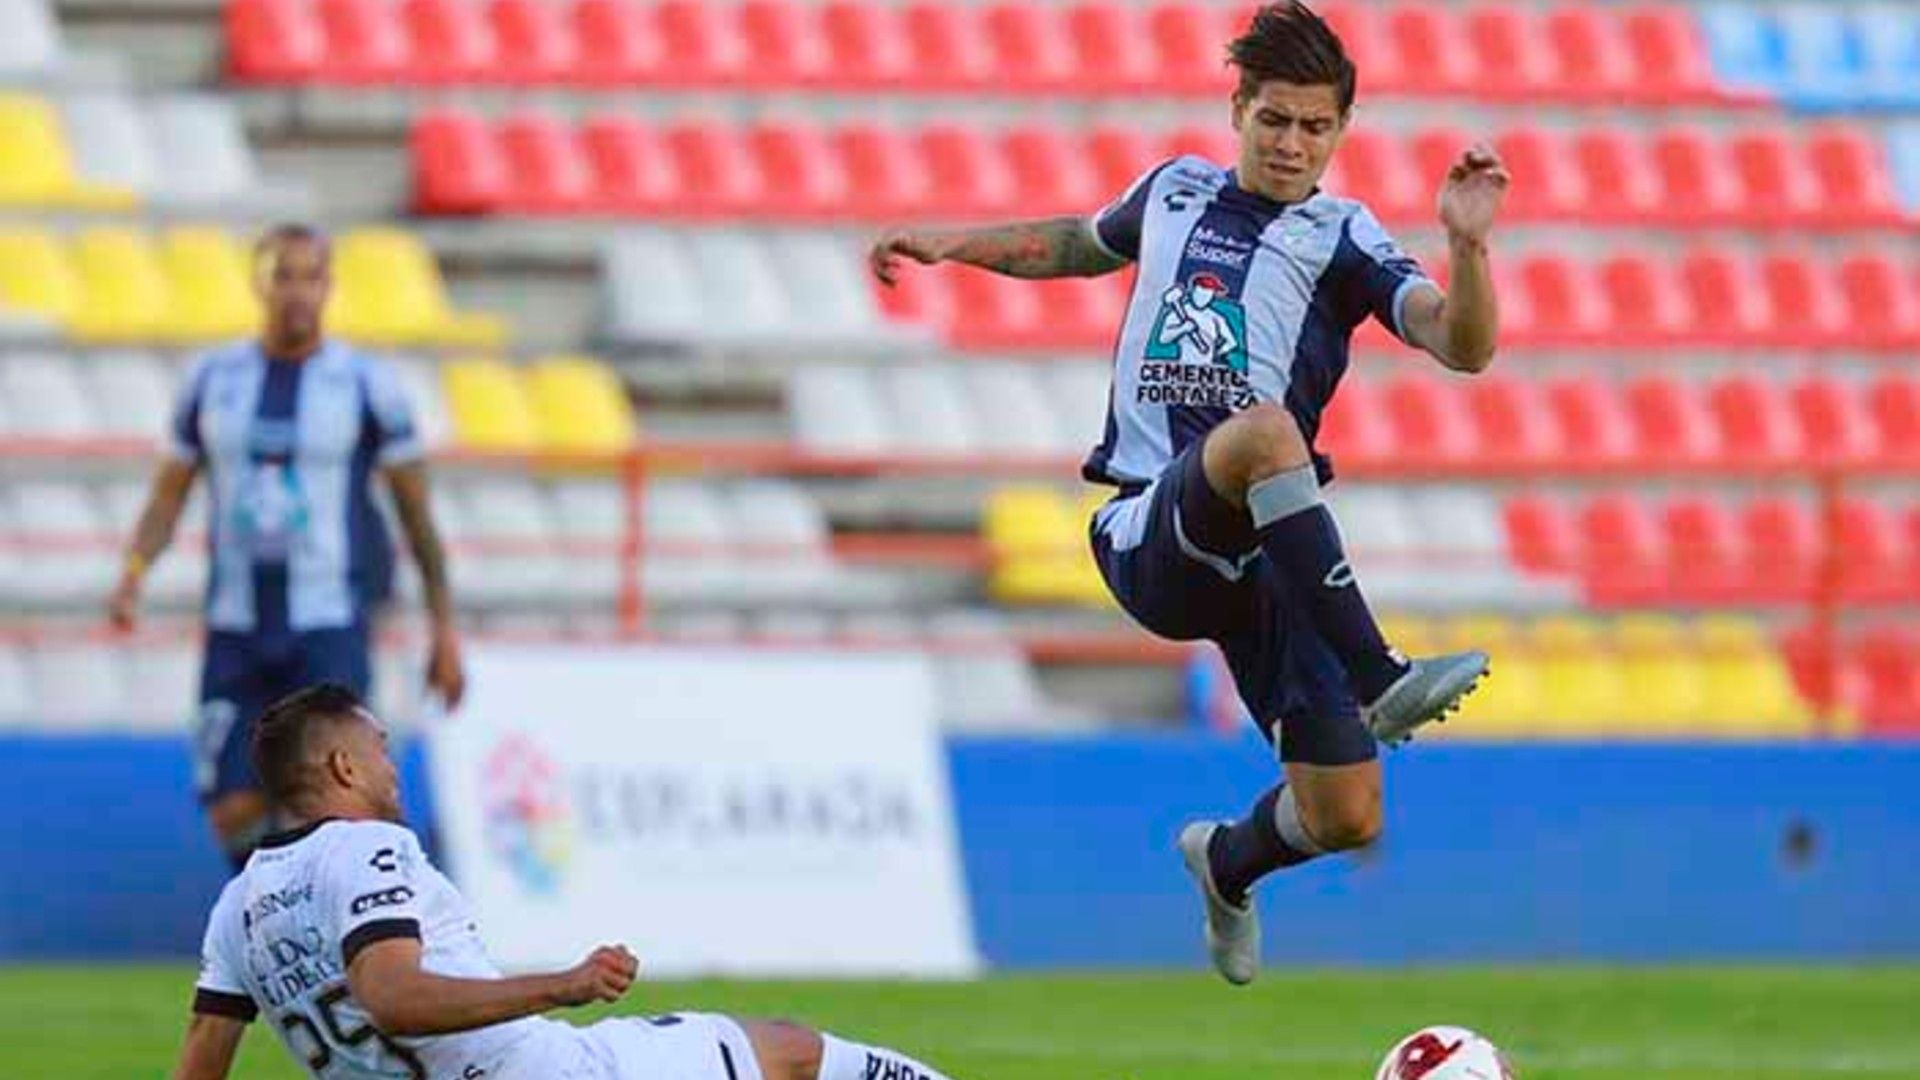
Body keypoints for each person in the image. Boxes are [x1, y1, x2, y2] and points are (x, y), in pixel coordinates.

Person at [868, 1, 1508, 985]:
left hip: (1269, 558)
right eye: (1275, 120)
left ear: (1341, 131)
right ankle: (1382, 678)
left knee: (1346, 815)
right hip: (1148, 528)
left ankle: (1227, 861)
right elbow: (1078, 241)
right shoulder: (1174, 192)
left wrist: (1467, 248)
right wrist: (954, 243)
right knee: (1263, 431)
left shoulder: (1344, 236)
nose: (1293, 144)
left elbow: (1461, 346)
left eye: (1316, 126)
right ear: (1239, 108)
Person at [169, 683, 970, 1080]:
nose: (391, 764)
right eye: (379, 747)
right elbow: (392, 996)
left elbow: (204, 1057)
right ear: (344, 765)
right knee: (792, 1056)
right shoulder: (369, 848)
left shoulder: (237, 905)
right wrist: (565, 982)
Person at [108, 223, 468, 870]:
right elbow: (171, 492)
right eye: (284, 276)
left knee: (332, 797)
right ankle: (282, 924)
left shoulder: (365, 385)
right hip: (236, 627)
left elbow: (415, 515)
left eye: (310, 276)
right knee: (231, 805)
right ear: (259, 284)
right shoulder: (214, 381)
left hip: (327, 623)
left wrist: (444, 628)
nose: (296, 292)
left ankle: (344, 937)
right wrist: (135, 567)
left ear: (328, 286)